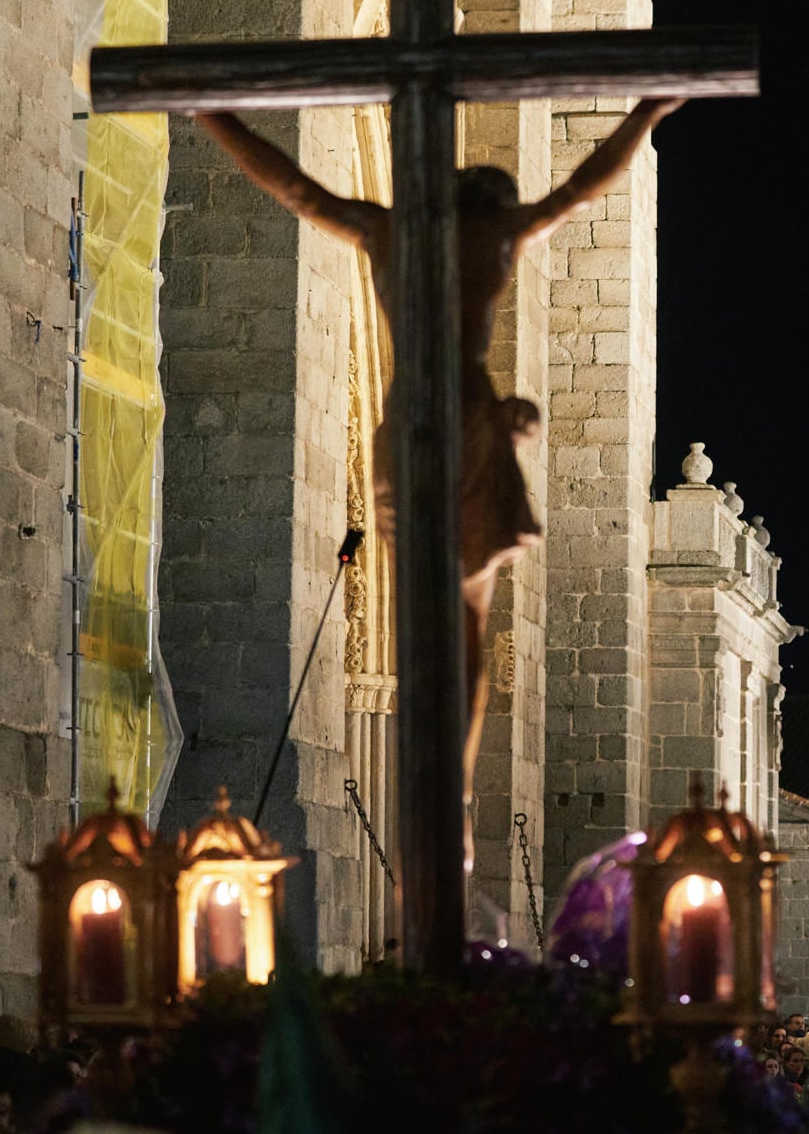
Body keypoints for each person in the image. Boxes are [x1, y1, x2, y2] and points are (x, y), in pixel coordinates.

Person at [195, 98, 685, 873]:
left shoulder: (387, 233)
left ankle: (433, 797)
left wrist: (212, 114)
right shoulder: (495, 237)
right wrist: (647, 114)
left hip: (406, 429)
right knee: (462, 633)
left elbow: (295, 187)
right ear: (490, 201)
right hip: (463, 421)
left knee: (422, 618)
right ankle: (447, 799)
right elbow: (584, 190)